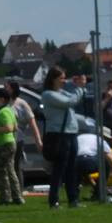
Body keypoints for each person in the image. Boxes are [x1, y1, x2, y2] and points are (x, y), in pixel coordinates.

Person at [41, 66, 84, 209]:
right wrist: (79, 88)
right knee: (59, 168)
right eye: (61, 78)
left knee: (72, 168)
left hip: (71, 133)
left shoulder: (63, 92)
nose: (64, 81)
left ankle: (73, 199)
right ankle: (54, 200)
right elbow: (69, 102)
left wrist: (77, 86)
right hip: (59, 135)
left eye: (65, 78)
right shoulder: (48, 94)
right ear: (53, 79)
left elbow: (72, 97)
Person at [0, 90, 23, 205]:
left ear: (2, 99)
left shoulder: (3, 112)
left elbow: (10, 128)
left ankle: (6, 197)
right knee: (9, 170)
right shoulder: (8, 110)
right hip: (8, 144)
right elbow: (16, 127)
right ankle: (16, 197)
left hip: (5, 145)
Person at [5, 80, 43, 194]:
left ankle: (18, 191)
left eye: (7, 87)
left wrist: (38, 141)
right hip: (4, 140)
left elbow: (32, 123)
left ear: (13, 89)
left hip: (17, 139)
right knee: (5, 167)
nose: (5, 89)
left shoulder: (21, 104)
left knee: (15, 166)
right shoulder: (4, 103)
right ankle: (8, 192)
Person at [75, 129, 112, 197]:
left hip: (75, 162)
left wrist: (94, 185)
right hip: (89, 161)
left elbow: (85, 169)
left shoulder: (81, 137)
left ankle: (74, 197)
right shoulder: (101, 141)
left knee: (80, 169)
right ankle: (99, 192)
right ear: (104, 136)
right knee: (106, 163)